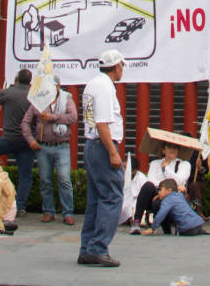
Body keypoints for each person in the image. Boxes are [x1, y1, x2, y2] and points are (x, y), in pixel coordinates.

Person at [78, 49, 126, 267]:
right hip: (102, 145)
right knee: (112, 197)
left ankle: (87, 248)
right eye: (122, 66)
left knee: (96, 200)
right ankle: (98, 248)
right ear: (116, 67)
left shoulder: (92, 84)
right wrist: (113, 152)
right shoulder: (106, 87)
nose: (122, 70)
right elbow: (102, 123)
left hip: (90, 144)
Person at [20, 77, 78, 225]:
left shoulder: (67, 99)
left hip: (62, 145)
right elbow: (25, 123)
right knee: (45, 180)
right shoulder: (38, 102)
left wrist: (52, 117)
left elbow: (73, 117)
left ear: (58, 87)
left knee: (64, 179)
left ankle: (68, 212)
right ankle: (48, 211)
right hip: (42, 145)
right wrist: (31, 140)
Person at [0, 69, 35, 215]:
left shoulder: (8, 92)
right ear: (30, 81)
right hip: (26, 141)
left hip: (9, 138)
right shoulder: (34, 94)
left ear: (16, 79)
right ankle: (21, 206)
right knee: (25, 175)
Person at [131, 140, 192, 234]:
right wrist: (162, 190)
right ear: (163, 150)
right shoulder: (155, 163)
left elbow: (178, 180)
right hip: (157, 193)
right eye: (169, 147)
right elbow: (151, 180)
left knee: (158, 202)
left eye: (175, 147)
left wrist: (165, 169)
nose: (173, 150)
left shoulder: (184, 164)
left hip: (173, 196)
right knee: (147, 186)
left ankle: (166, 229)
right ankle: (136, 222)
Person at [140, 178, 207, 236]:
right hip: (198, 224)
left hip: (187, 228)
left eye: (160, 190)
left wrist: (152, 228)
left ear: (169, 190)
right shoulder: (179, 195)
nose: (158, 192)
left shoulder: (167, 200)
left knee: (182, 231)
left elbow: (161, 215)